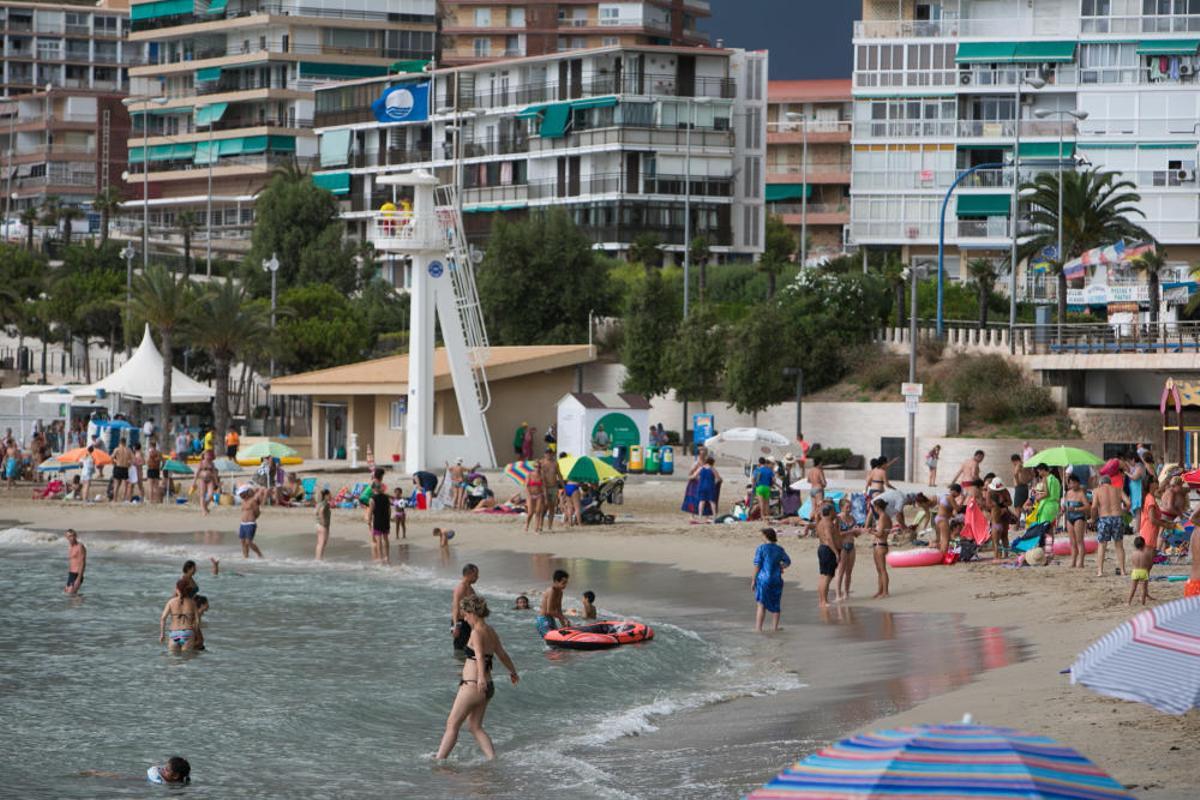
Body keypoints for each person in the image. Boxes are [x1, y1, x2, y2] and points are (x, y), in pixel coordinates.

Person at [436, 595, 519, 761]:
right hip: (488, 687)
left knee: (452, 724)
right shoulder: (490, 631)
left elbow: (480, 656)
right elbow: (502, 654)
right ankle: (492, 759)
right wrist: (513, 672)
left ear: (472, 612)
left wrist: (480, 677)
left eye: (465, 614)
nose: (464, 618)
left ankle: (439, 761)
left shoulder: (476, 632)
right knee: (475, 726)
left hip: (473, 685)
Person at [752, 528, 791, 631]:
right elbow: (787, 561)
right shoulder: (779, 549)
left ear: (765, 536)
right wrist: (781, 566)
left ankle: (758, 628)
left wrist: (753, 580)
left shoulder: (761, 548)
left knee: (761, 604)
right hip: (776, 579)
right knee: (776, 604)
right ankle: (775, 628)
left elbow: (757, 565)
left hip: (763, 579)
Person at [1093, 476, 1130, 577]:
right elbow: (1128, 502)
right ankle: (1122, 570)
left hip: (1104, 518)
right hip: (1117, 517)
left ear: (1101, 483)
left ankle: (1100, 571)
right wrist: (1123, 511)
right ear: (1110, 483)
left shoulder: (1097, 490)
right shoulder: (1118, 489)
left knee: (1102, 545)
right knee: (1119, 545)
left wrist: (1093, 518)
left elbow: (1094, 506)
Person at [159, 578, 200, 652]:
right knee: (186, 659)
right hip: (188, 633)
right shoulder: (192, 602)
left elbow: (163, 618)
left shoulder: (171, 602)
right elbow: (197, 620)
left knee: (174, 660)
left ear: (177, 589)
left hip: (174, 633)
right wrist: (196, 633)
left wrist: (162, 634)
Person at [813, 504, 841, 609]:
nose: (836, 513)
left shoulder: (821, 522)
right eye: (834, 511)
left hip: (822, 548)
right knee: (827, 576)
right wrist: (836, 553)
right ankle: (824, 601)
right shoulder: (828, 523)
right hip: (828, 550)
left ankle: (822, 600)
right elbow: (829, 538)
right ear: (830, 512)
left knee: (823, 576)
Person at [1063, 473, 1091, 569]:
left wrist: (1076, 509)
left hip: (1079, 517)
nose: (1072, 485)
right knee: (1072, 541)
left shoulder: (1081, 493)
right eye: (1070, 483)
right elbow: (1065, 505)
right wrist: (1063, 508)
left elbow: (1087, 506)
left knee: (1079, 540)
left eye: (1074, 483)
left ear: (1078, 483)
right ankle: (1073, 561)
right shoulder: (1068, 493)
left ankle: (1081, 562)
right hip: (1069, 517)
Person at [834, 497, 860, 602]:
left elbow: (856, 534)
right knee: (840, 571)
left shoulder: (852, 518)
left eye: (850, 507)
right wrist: (851, 531)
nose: (849, 509)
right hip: (842, 546)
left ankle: (846, 592)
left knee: (849, 572)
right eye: (847, 507)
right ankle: (837, 594)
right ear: (841, 508)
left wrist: (858, 531)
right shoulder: (838, 519)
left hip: (851, 545)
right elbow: (838, 534)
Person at [452, 564, 480, 652]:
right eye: (475, 575)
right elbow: (455, 608)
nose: (477, 577)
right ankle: (460, 665)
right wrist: (455, 626)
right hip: (461, 623)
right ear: (468, 574)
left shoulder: (470, 588)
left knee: (470, 649)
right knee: (460, 650)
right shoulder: (461, 588)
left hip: (468, 623)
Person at [536, 569, 570, 637]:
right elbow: (549, 611)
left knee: (557, 642)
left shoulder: (560, 592)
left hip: (551, 619)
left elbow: (559, 610)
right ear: (556, 581)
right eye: (563, 583)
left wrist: (565, 626)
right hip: (543, 620)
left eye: (566, 583)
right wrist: (563, 618)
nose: (565, 585)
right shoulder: (551, 591)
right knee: (552, 641)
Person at [871, 498, 892, 599]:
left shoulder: (883, 517)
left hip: (881, 544)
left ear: (877, 507)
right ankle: (880, 591)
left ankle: (885, 592)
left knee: (882, 570)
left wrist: (871, 532)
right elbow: (886, 530)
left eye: (874, 507)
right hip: (880, 544)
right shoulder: (884, 517)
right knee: (879, 570)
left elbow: (879, 534)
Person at [238, 484, 266, 559]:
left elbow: (257, 512)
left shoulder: (252, 501)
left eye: (242, 493)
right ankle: (245, 557)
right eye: (240, 494)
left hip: (250, 523)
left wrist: (252, 518)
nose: (240, 495)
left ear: (246, 492)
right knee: (242, 542)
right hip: (243, 524)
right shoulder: (243, 502)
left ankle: (260, 555)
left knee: (249, 542)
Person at [367, 480, 391, 565]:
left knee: (378, 540)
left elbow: (370, 512)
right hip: (385, 520)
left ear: (373, 489)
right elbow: (389, 510)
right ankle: (387, 557)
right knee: (386, 539)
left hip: (377, 520)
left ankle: (381, 558)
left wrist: (369, 522)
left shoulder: (372, 499)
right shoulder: (386, 497)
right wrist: (388, 518)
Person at [538, 449, 561, 531]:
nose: (549, 455)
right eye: (547, 453)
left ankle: (550, 526)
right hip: (545, 487)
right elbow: (536, 472)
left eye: (550, 453)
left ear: (552, 454)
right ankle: (540, 525)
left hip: (554, 486)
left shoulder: (555, 463)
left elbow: (559, 475)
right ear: (544, 454)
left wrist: (564, 487)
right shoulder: (541, 463)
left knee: (552, 507)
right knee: (544, 506)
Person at [1127, 536, 1153, 606]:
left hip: (1135, 571)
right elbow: (1149, 563)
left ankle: (1128, 602)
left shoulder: (1133, 553)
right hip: (1143, 571)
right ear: (1144, 544)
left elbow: (1133, 562)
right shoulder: (1146, 554)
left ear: (1135, 545)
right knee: (1144, 589)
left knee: (1133, 588)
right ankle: (1143, 603)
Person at [695, 456, 720, 521]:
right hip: (710, 486)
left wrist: (699, 480)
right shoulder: (712, 469)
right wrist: (715, 483)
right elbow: (718, 478)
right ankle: (714, 516)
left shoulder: (701, 468)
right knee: (712, 501)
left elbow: (695, 476)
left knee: (702, 501)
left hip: (701, 486)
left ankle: (700, 516)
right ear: (712, 462)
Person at [524, 464, 546, 533]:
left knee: (538, 512)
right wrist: (529, 494)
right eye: (536, 466)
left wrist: (545, 496)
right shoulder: (529, 474)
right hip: (530, 495)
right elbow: (526, 486)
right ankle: (527, 524)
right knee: (530, 512)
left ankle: (536, 529)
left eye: (539, 467)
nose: (538, 468)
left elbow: (544, 487)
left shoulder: (541, 475)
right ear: (533, 467)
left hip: (539, 495)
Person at [110, 437, 132, 503]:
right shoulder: (128, 450)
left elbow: (111, 457)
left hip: (118, 466)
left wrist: (114, 463)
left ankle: (115, 499)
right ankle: (124, 499)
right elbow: (132, 460)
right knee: (124, 484)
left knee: (116, 484)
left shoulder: (117, 449)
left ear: (120, 442)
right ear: (125, 442)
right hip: (125, 467)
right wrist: (129, 465)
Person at [64, 529, 86, 594]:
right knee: (68, 595)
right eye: (69, 536)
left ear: (76, 536)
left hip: (77, 574)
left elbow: (83, 562)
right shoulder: (70, 547)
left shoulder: (80, 547)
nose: (71, 538)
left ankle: (81, 603)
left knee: (72, 595)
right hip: (71, 574)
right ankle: (81, 603)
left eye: (72, 536)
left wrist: (78, 579)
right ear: (66, 537)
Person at [315, 488, 332, 560]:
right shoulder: (326, 503)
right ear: (326, 495)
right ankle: (319, 558)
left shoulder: (319, 503)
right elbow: (321, 511)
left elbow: (316, 512)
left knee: (319, 543)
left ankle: (318, 558)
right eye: (329, 495)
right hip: (323, 525)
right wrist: (323, 522)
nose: (331, 496)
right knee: (322, 543)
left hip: (318, 524)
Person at [145, 439, 162, 504]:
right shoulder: (159, 452)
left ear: (150, 445)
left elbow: (147, 461)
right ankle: (157, 500)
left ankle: (151, 500)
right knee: (156, 486)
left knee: (151, 486)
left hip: (151, 469)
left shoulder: (149, 452)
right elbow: (162, 460)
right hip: (157, 469)